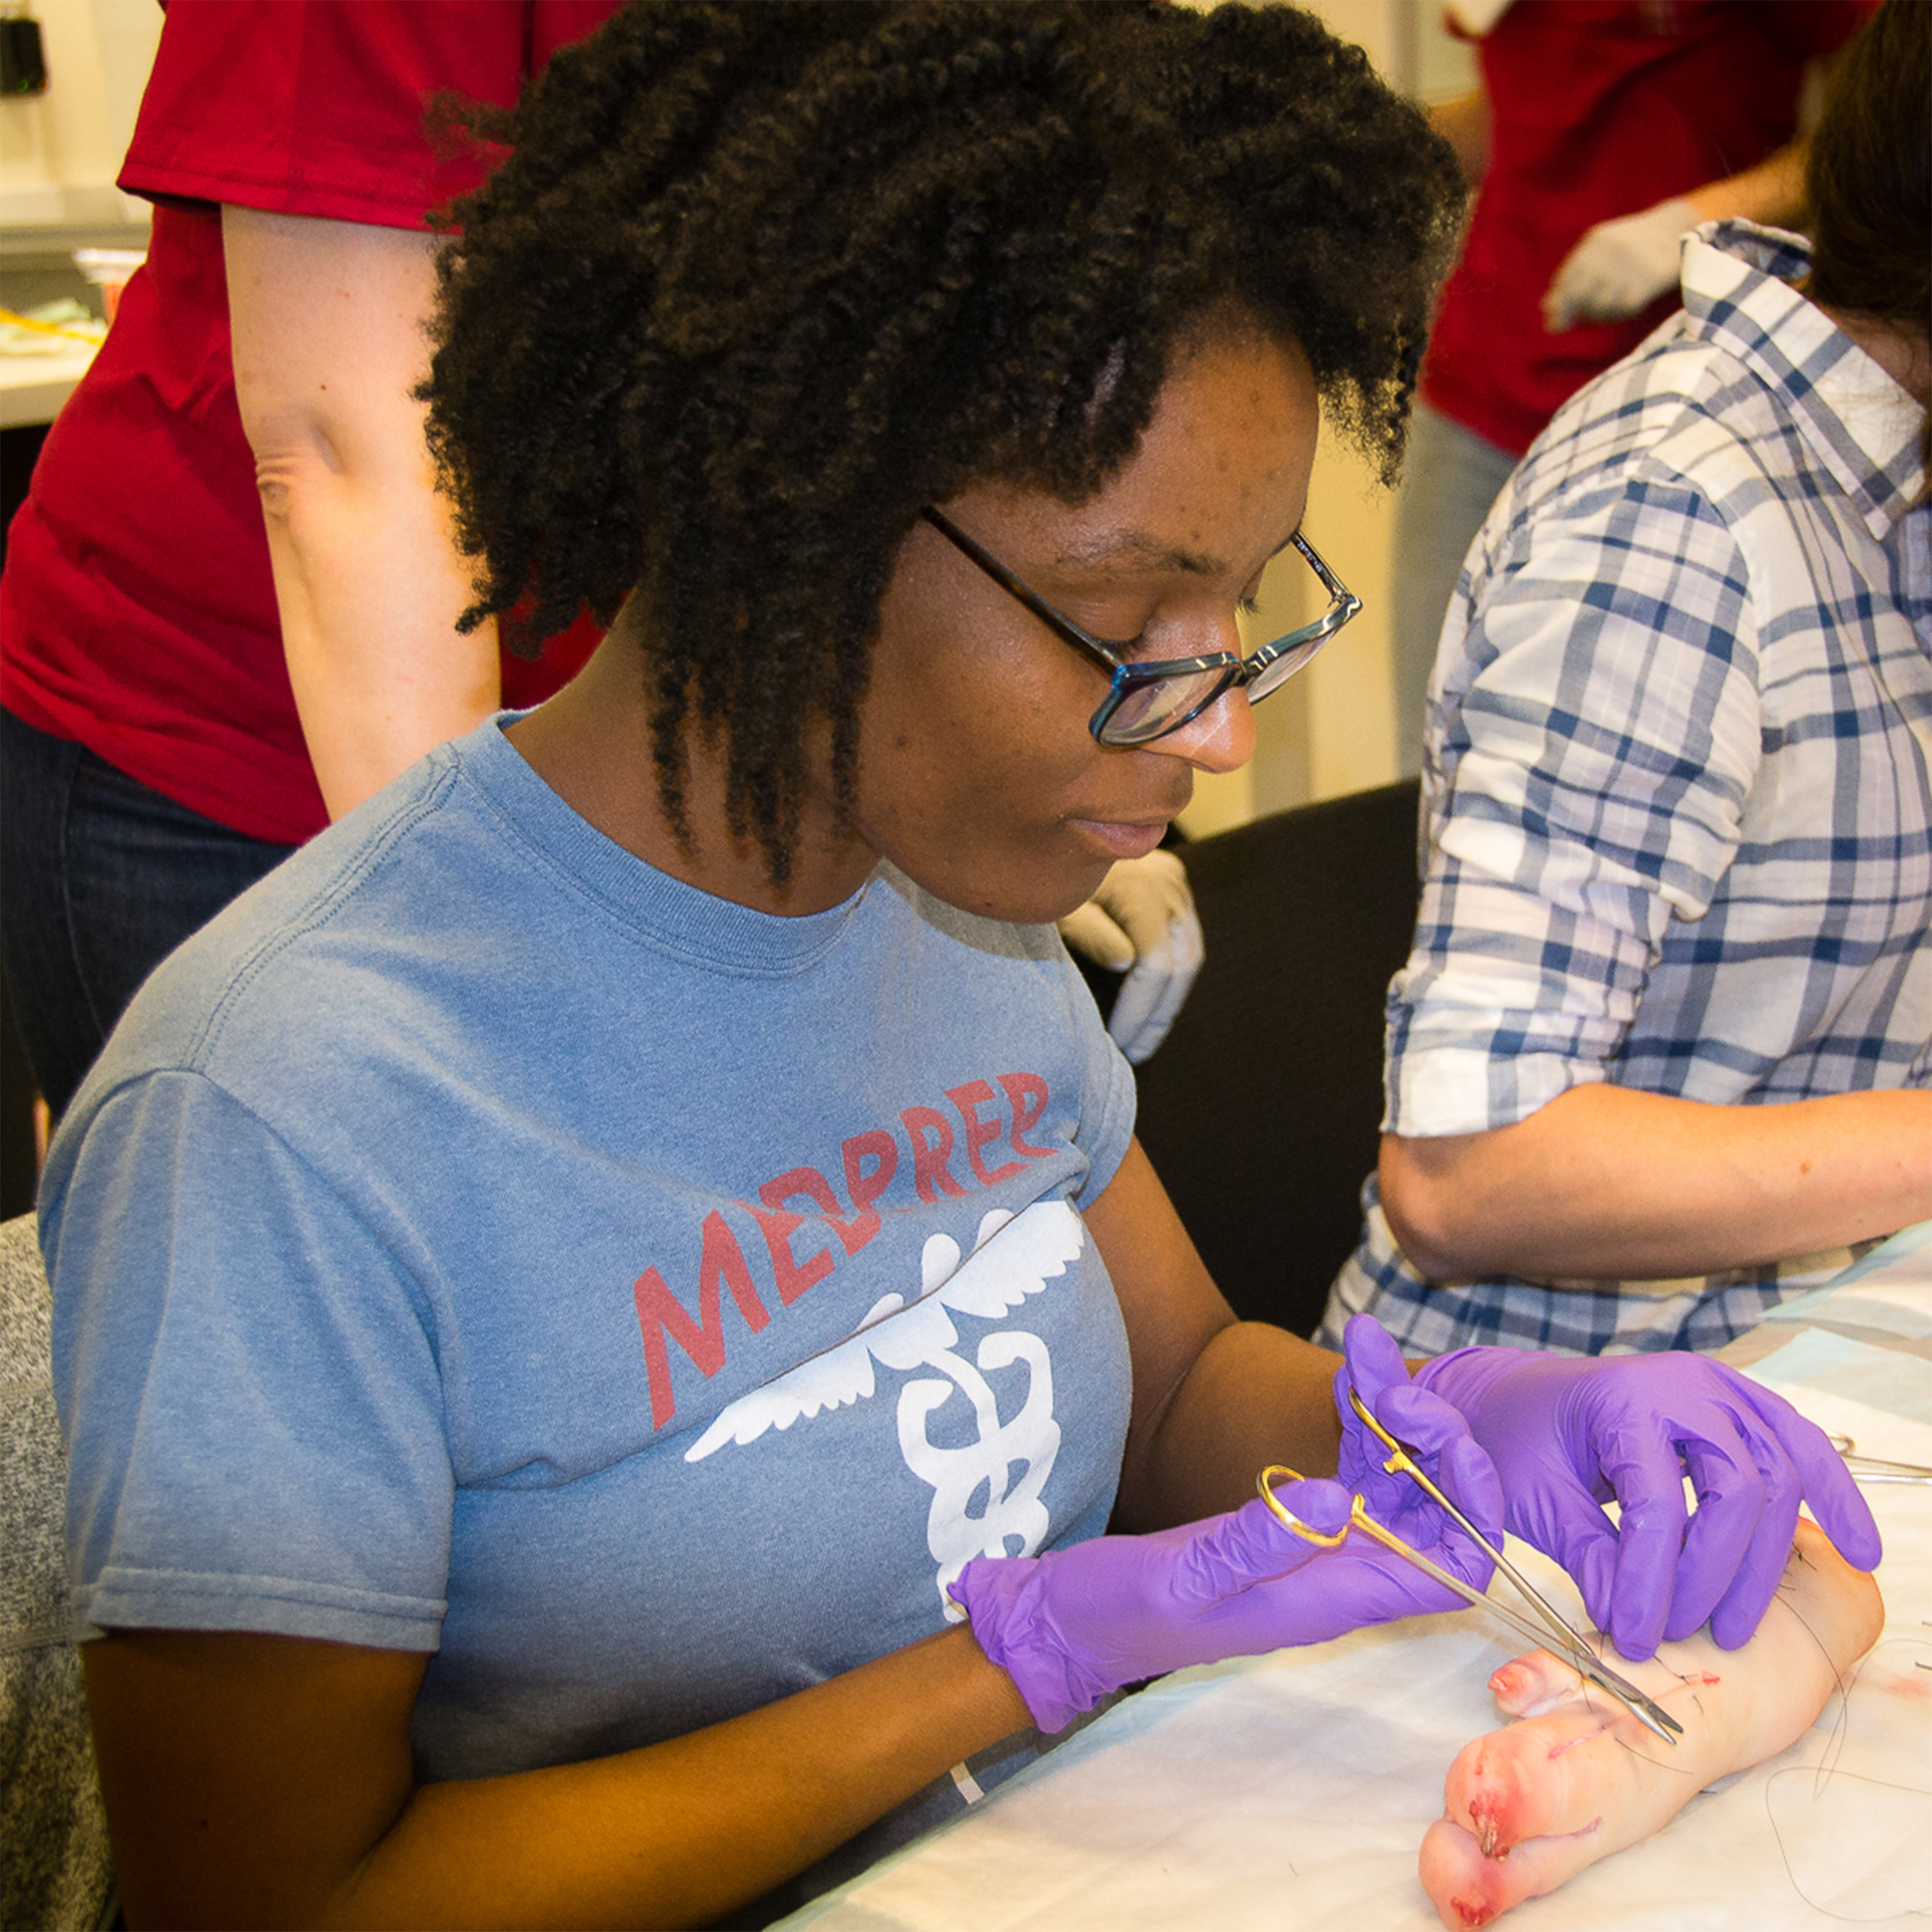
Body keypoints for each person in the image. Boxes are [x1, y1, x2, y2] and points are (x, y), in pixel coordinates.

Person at [42, 8, 1877, 1927]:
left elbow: (1177, 1399)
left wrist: (1468, 1429)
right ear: (789, 517)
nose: (1220, 730)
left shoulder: (958, 892)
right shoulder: (287, 1114)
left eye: (1240, 604)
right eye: (1124, 618)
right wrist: (1018, 1661)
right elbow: (275, 1905)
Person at [0, 0, 1193, 1132]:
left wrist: (985, 793)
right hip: (237, 740)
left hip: (656, 733)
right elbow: (350, 461)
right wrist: (523, 990)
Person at [1325, 0, 1931, 1361]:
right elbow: (1471, 1169)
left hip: (1815, 1334)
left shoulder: (1896, 483)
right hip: (1562, 1431)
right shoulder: (1682, 522)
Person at [1389, 0, 1876, 779]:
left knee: (1647, 765)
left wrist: (1694, 217)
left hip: (1680, 416)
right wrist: (1369, 154)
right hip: (1481, 397)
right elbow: (1526, 107)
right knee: (1433, 764)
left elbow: (1870, 137)